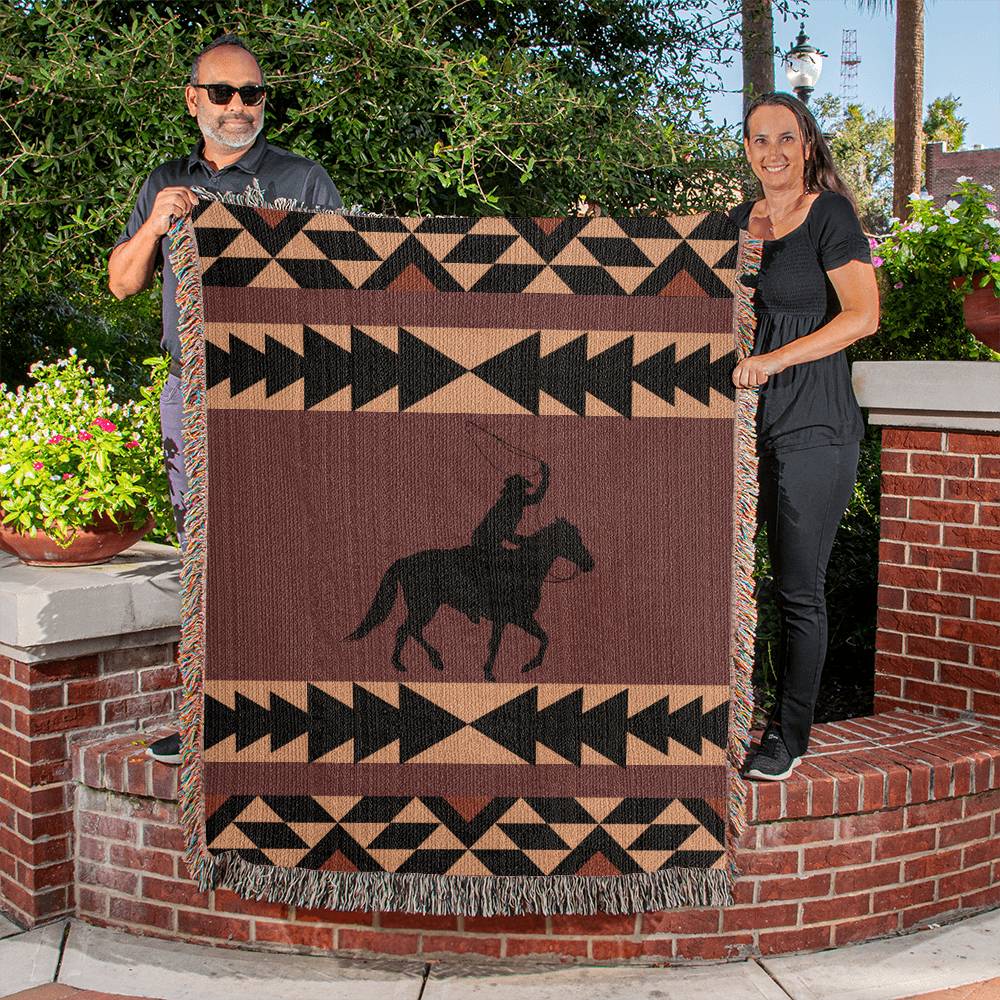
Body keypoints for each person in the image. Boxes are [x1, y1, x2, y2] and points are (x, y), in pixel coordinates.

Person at [108, 34, 342, 765]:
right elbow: (121, 283)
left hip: (283, 397)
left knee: (288, 551)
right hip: (193, 397)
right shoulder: (165, 182)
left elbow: (345, 288)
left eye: (252, 93)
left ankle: (301, 720)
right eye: (223, 93)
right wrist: (156, 222)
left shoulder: (304, 182)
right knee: (202, 561)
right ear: (193, 100)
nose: (238, 107)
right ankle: (207, 723)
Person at [728, 92, 879, 781]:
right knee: (723, 581)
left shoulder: (830, 215)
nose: (773, 152)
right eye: (760, 140)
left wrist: (774, 360)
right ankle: (723, 716)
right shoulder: (739, 223)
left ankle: (786, 739)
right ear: (749, 149)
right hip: (742, 430)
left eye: (786, 138)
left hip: (814, 427)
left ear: (809, 144)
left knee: (797, 590)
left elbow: (863, 317)